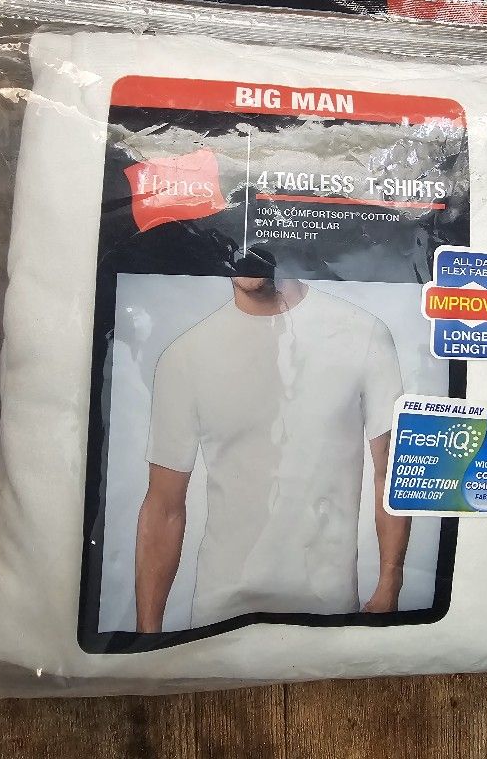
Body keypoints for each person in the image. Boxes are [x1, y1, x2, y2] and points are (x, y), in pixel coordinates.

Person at [135, 265, 411, 632]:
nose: (248, 255)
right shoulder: (185, 356)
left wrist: (390, 581)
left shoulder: (363, 332)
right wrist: (147, 637)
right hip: (220, 615)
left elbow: (391, 471)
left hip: (329, 612)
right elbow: (163, 505)